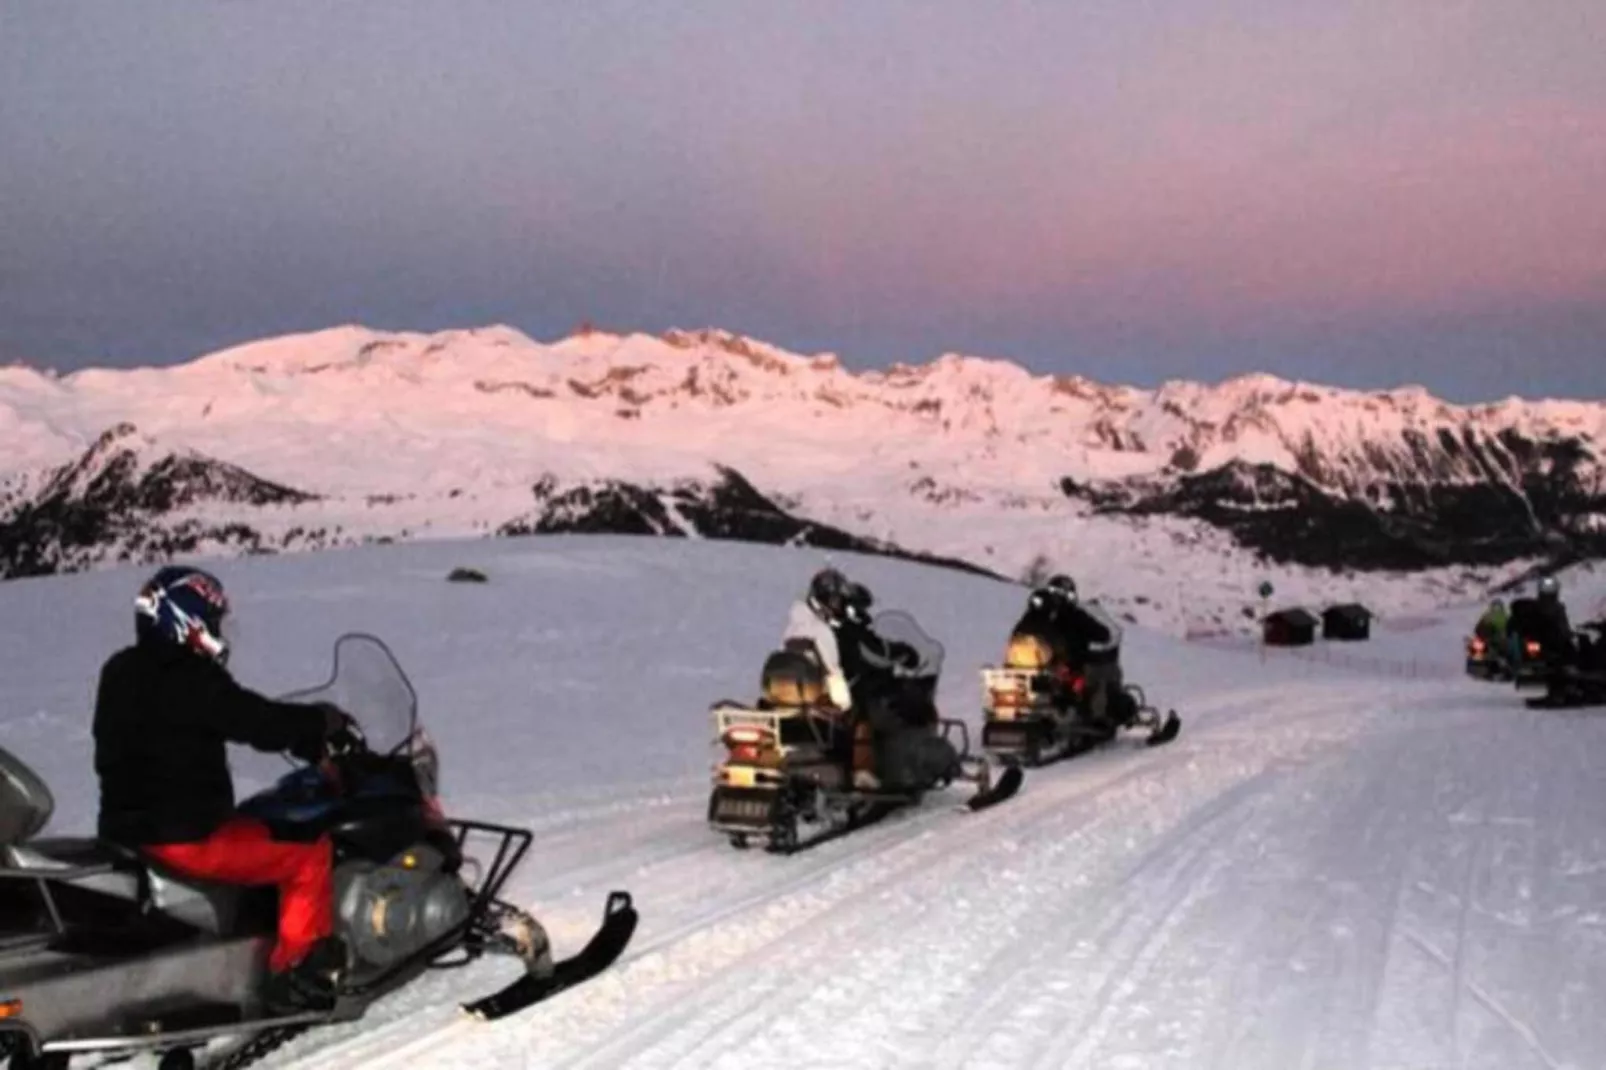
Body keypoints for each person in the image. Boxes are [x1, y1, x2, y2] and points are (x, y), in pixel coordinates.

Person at [94, 565, 357, 1013]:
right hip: (186, 835)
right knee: (309, 852)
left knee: (259, 823)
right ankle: (297, 974)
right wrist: (320, 721)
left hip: (127, 829)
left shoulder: (120, 669)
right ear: (189, 622)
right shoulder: (191, 677)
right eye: (213, 620)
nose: (218, 631)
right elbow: (254, 720)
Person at [782, 568, 953, 791]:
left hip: (805, 692)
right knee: (870, 711)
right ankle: (864, 770)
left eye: (841, 602)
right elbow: (873, 653)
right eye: (836, 601)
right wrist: (902, 652)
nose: (840, 607)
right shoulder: (840, 631)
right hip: (833, 692)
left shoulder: (798, 627)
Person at [1007, 574, 1125, 728]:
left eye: (1061, 594)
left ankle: (1086, 714)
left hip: (1053, 664)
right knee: (1093, 675)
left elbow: (1102, 633)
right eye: (1056, 592)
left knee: (1090, 677)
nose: (1058, 598)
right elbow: (1101, 634)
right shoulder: (1048, 616)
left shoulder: (1051, 616)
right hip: (1053, 664)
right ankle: (1091, 718)